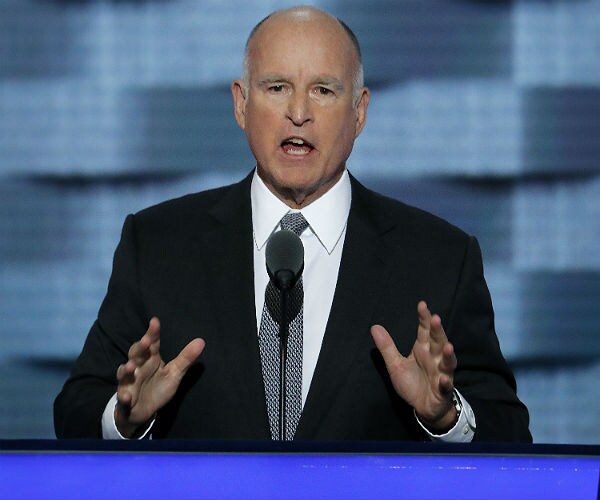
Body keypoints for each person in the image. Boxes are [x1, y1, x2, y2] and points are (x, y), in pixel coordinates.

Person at [54, 6, 531, 442]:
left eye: (323, 90)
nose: (298, 113)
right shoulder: (157, 244)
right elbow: (75, 411)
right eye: (276, 87)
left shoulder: (441, 257)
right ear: (241, 104)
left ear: (360, 111)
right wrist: (125, 418)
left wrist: (445, 417)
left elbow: (509, 433)